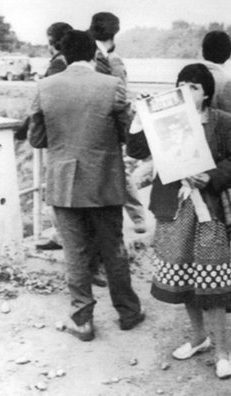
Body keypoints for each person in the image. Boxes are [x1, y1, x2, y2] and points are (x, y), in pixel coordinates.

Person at [127, 63, 231, 378]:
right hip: (174, 209)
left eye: (193, 86)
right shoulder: (164, 120)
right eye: (181, 84)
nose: (186, 90)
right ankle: (198, 336)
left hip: (209, 212)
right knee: (183, 277)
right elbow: (137, 148)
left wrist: (209, 176)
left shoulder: (223, 122)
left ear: (207, 93)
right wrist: (140, 116)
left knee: (213, 279)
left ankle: (222, 349)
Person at [28, 30, 145, 341]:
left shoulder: (45, 87)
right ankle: (128, 312)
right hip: (105, 181)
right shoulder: (113, 86)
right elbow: (127, 136)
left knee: (76, 253)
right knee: (113, 249)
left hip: (64, 182)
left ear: (63, 55)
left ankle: (82, 320)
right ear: (94, 54)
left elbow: (36, 138)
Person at [89, 11, 147, 235]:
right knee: (117, 170)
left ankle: (138, 216)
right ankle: (138, 216)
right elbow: (120, 95)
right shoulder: (112, 59)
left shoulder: (98, 56)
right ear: (114, 34)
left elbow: (118, 95)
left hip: (102, 122)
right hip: (106, 122)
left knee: (116, 170)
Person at [202, 30, 231, 313]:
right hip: (218, 168)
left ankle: (201, 290)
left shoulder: (192, 77)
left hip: (193, 166)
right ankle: (222, 296)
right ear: (228, 54)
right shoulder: (226, 81)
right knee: (223, 228)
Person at [18, 21, 72, 253]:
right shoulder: (73, 61)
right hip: (72, 134)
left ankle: (62, 237)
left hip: (58, 136)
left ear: (52, 41)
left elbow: (41, 103)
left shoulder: (57, 65)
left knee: (55, 189)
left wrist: (22, 131)